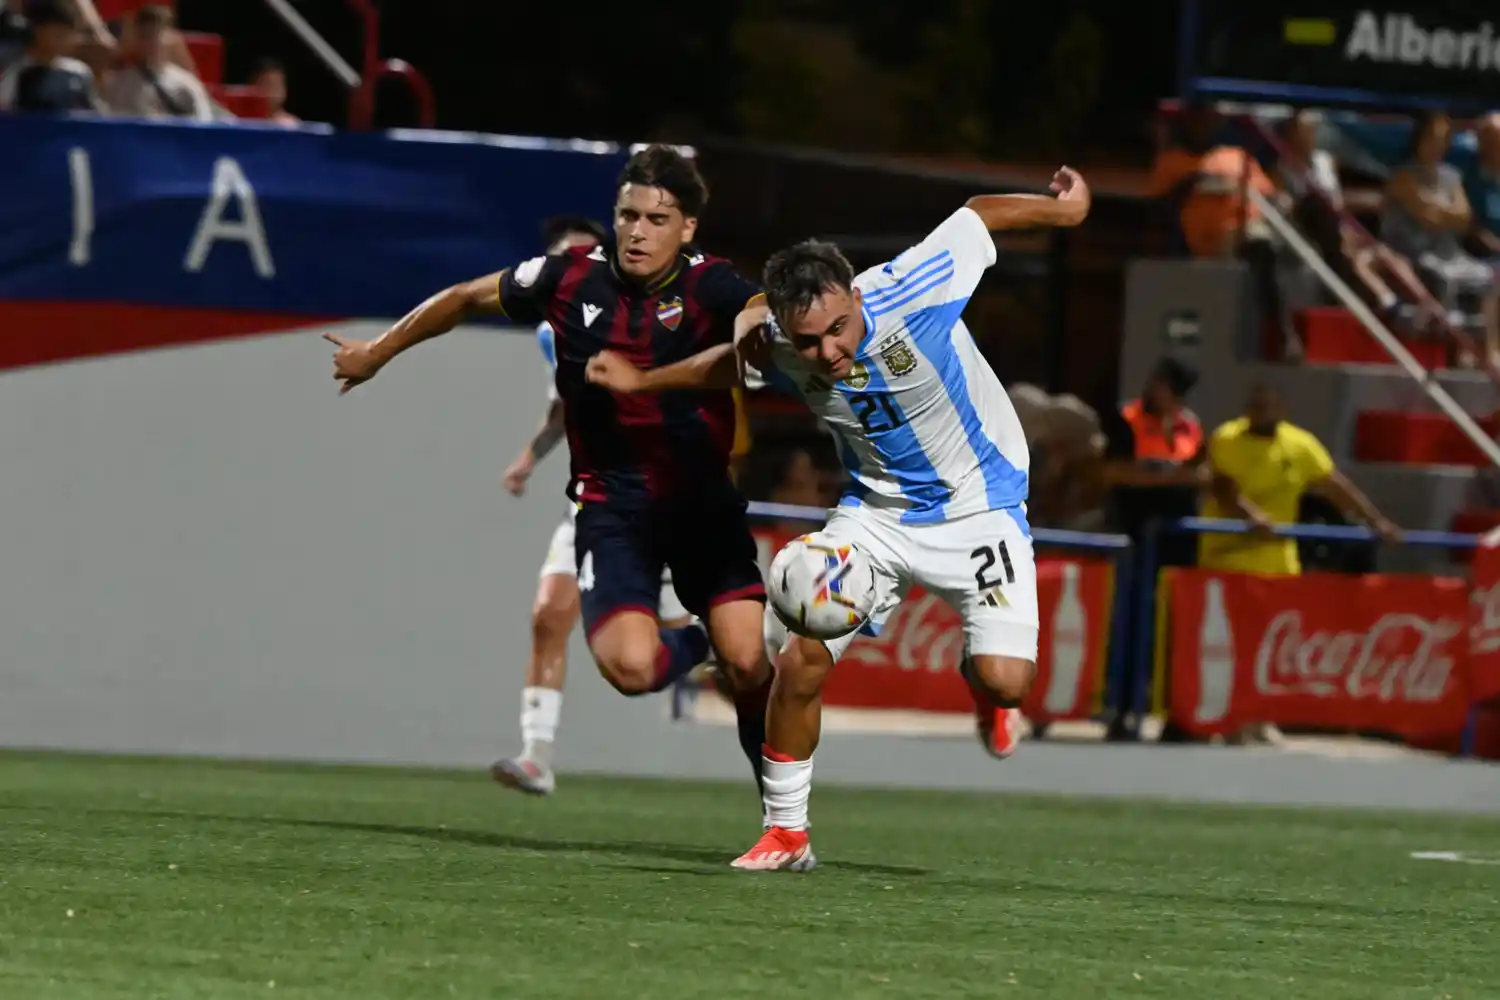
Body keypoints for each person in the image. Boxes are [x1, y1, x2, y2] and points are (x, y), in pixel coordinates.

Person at [584, 166, 1092, 870]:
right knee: (801, 662)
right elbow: (727, 366)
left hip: (981, 506)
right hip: (876, 516)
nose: (827, 352)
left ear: (855, 295)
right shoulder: (777, 339)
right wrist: (645, 380)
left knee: (1006, 678)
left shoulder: (914, 287)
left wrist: (1064, 213)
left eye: (838, 329)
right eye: (809, 341)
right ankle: (787, 833)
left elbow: (978, 213)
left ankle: (987, 693)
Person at [324, 145, 777, 818]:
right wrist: (378, 352)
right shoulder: (566, 277)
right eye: (627, 215)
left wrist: (750, 336)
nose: (637, 232)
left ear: (687, 229)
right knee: (630, 668)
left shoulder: (711, 284)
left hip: (699, 505)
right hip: (612, 507)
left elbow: (753, 326)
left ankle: (783, 820)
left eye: (657, 220)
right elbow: (464, 297)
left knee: (748, 664)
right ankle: (693, 646)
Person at [490, 216, 700, 796]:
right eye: (565, 261)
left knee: (675, 655)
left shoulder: (652, 316)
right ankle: (537, 757)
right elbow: (566, 406)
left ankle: (764, 693)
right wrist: (530, 456)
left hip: (661, 503)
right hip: (593, 497)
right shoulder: (551, 334)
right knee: (548, 614)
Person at [1382, 110, 1500, 363]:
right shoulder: (1402, 176)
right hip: (1412, 253)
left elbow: (1464, 217)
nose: (1437, 146)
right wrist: (1447, 214)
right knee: (1444, 278)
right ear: (1419, 139)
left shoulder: (1451, 176)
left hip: (1449, 251)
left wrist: (1440, 212)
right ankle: (1454, 350)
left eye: (1442, 140)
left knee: (1491, 278)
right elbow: (1428, 218)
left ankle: (1489, 350)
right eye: (1432, 139)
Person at [102, 4, 212, 122]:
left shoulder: (186, 83)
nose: (151, 43)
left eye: (157, 36)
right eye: (145, 36)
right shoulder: (119, 82)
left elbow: (203, 122)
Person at [0, 1, 100, 113]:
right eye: (58, 34)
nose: (64, 41)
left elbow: (93, 111)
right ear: (37, 32)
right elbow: (6, 110)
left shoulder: (79, 72)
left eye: (68, 35)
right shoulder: (17, 71)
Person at [249, 56, 299, 127]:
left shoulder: (291, 125)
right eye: (269, 84)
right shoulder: (243, 121)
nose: (276, 90)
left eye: (279, 84)